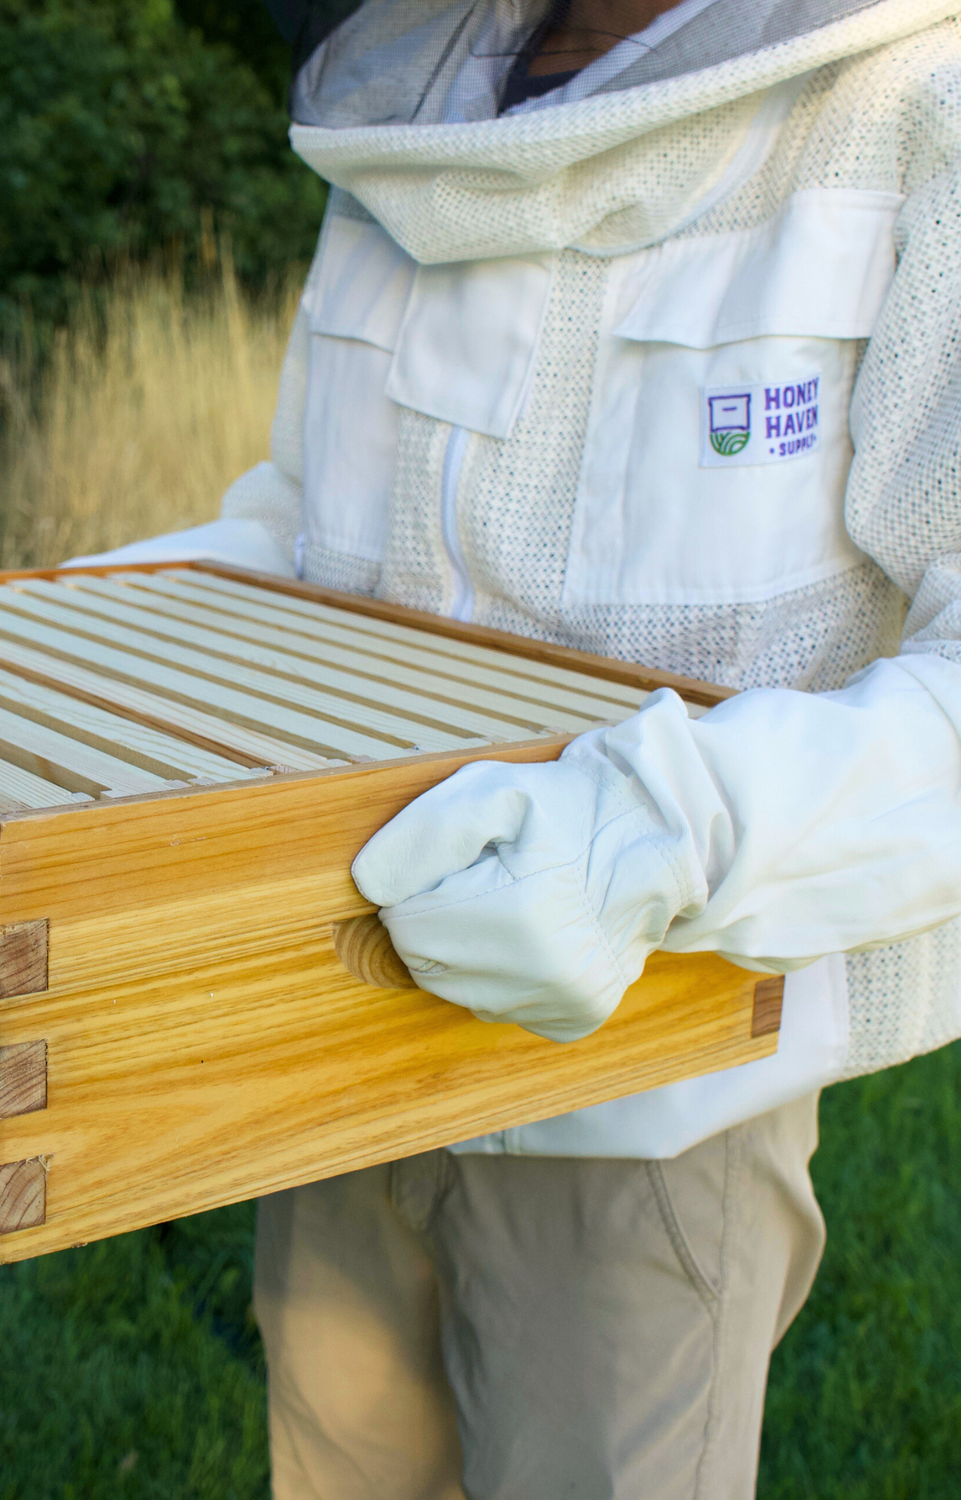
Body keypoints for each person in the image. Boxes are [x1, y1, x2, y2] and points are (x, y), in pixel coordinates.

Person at [68, 0, 961, 1492]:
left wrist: (650, 841)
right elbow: (307, 541)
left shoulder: (907, 106)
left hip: (639, 1107)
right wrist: (20, 642)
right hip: (328, 1042)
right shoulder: (404, 102)